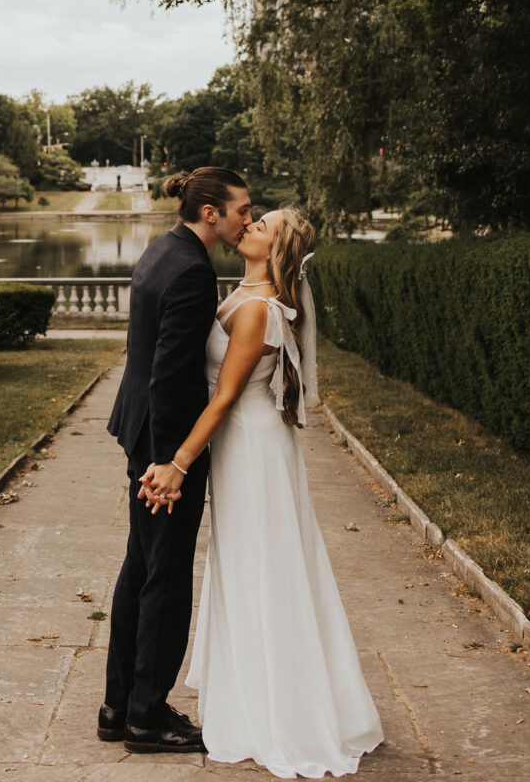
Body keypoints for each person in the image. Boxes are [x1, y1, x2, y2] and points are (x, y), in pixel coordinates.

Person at [143, 207, 384, 777]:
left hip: (251, 449)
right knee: (247, 564)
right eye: (252, 219)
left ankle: (282, 713)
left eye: (263, 226)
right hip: (239, 447)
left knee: (262, 568)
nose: (249, 227)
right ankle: (258, 692)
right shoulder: (242, 293)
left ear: (278, 249)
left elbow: (223, 397)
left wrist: (177, 463)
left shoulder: (257, 310)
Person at [98, 167, 252, 754]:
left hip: (139, 429)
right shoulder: (191, 271)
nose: (246, 218)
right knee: (165, 575)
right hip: (162, 444)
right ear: (210, 212)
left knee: (140, 566)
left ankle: (118, 706)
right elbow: (169, 376)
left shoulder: (163, 248)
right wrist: (172, 464)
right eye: (241, 208)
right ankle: (147, 717)